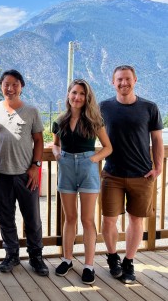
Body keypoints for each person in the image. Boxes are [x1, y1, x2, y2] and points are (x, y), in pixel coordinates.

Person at [100, 65, 163, 284]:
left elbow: (156, 139)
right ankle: (112, 257)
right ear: (112, 82)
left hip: (142, 175)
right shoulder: (104, 107)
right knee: (108, 221)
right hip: (112, 174)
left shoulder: (149, 107)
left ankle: (129, 262)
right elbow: (90, 133)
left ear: (135, 80)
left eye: (127, 79)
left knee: (136, 220)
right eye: (119, 79)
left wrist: (158, 167)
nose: (123, 83)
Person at [0, 69, 49, 276]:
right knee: (5, 215)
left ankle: (36, 256)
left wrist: (36, 166)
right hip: (0, 173)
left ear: (21, 86)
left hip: (26, 173)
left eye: (15, 84)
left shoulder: (31, 111)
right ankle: (11, 254)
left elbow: (39, 140)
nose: (10, 88)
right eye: (6, 84)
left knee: (32, 217)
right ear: (1, 86)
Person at [52, 79, 112, 284]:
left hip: (87, 169)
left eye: (81, 94)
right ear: (68, 94)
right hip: (66, 168)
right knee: (70, 218)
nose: (77, 97)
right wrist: (58, 154)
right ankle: (67, 259)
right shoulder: (59, 121)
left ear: (87, 98)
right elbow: (55, 144)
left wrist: (92, 159)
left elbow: (108, 147)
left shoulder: (94, 121)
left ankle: (89, 265)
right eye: (74, 93)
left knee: (87, 219)